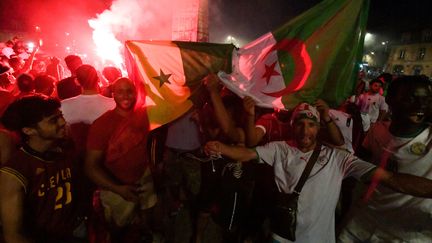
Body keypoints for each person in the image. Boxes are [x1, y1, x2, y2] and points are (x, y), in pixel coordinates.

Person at [205, 102, 432, 243]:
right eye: (300, 124)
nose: (305, 130)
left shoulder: (338, 158)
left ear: (318, 127)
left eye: (311, 124)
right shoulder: (280, 148)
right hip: (280, 237)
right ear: (292, 126)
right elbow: (246, 154)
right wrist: (220, 147)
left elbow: (391, 179)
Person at [338, 75, 432, 242]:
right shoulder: (377, 130)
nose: (420, 105)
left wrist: (386, 177)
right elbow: (359, 168)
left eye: (426, 99)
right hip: (362, 222)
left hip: (406, 233)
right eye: (410, 98)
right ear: (390, 100)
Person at [0, 95, 88, 243]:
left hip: (75, 232)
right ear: (28, 130)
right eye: (53, 120)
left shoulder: (65, 149)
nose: (62, 122)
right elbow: (12, 235)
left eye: (61, 116)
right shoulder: (15, 172)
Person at [85, 77, 157, 242]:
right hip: (116, 188)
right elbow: (90, 167)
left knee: (145, 220)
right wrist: (118, 189)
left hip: (144, 180)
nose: (125, 96)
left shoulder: (145, 116)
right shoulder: (102, 124)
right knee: (118, 231)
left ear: (136, 93)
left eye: (129, 91)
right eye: (120, 91)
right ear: (113, 94)